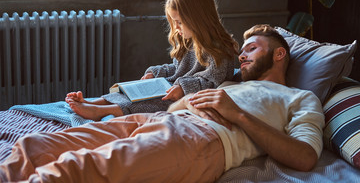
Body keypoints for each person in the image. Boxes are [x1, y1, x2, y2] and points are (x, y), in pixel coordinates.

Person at [0, 24, 324, 183]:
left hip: (198, 139)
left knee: (75, 169)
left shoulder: (299, 98)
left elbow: (306, 157)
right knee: (32, 147)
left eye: (252, 48)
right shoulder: (232, 81)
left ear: (279, 54)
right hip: (155, 121)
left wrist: (236, 114)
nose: (242, 54)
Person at [65, 0, 239, 121]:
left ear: (198, 19)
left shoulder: (220, 51)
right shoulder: (189, 41)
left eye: (179, 22)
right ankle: (95, 102)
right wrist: (156, 72)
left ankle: (100, 111)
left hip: (183, 96)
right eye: (174, 22)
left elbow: (213, 83)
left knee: (151, 103)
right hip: (171, 86)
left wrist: (183, 88)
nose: (176, 28)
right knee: (132, 89)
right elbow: (177, 69)